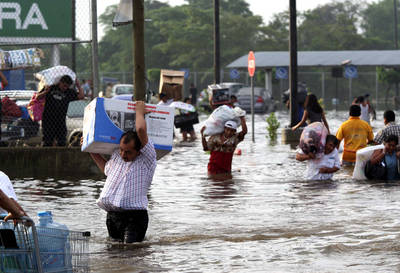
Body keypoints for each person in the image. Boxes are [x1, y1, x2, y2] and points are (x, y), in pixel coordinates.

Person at [87, 101, 156, 243]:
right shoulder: (117, 156)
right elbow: (106, 170)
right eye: (122, 150)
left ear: (138, 151)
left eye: (128, 152)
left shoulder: (147, 159)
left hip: (135, 217)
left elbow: (141, 130)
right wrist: (89, 148)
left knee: (130, 251)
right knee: (114, 251)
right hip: (112, 216)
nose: (123, 154)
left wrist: (139, 111)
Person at [37, 75, 84, 146]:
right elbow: (38, 97)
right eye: (64, 85)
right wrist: (45, 92)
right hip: (48, 119)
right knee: (47, 141)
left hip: (60, 120)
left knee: (62, 141)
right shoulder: (51, 88)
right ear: (60, 82)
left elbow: (81, 96)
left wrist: (78, 85)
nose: (65, 88)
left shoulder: (69, 92)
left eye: (67, 86)